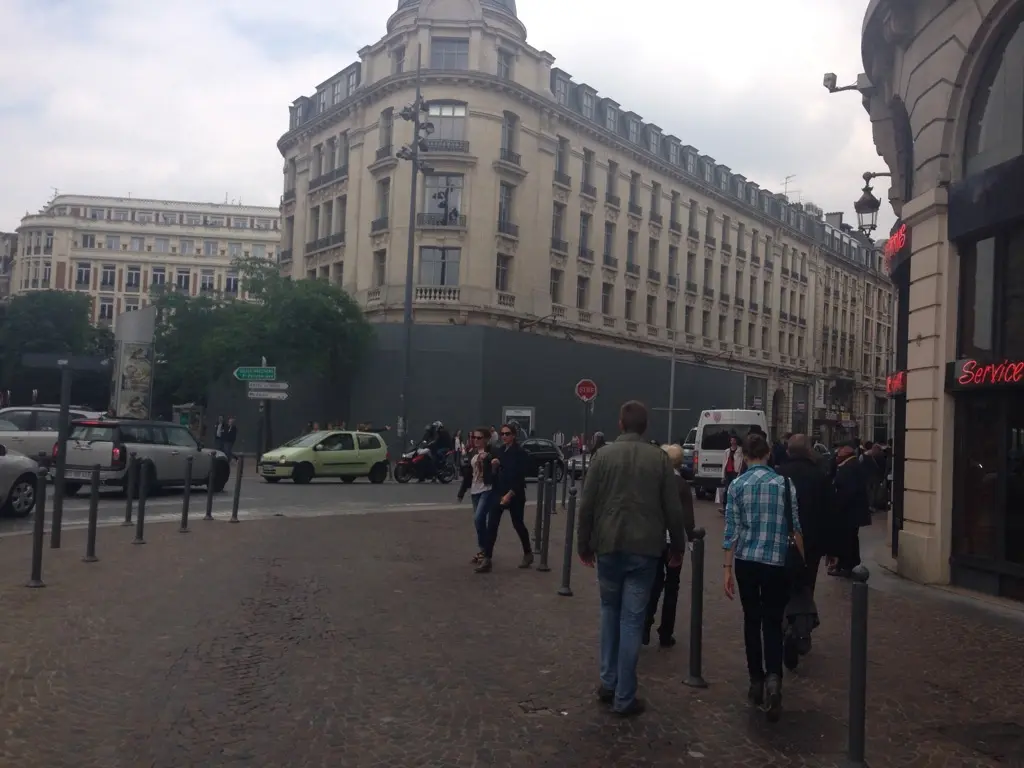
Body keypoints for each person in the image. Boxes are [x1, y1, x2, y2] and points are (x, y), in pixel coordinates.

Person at [577, 401, 687, 717]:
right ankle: (624, 696)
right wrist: (677, 547)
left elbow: (587, 505)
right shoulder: (660, 460)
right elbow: (673, 510)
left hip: (609, 546)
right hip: (645, 550)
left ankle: (608, 682)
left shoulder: (602, 456)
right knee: (631, 621)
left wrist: (584, 545)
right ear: (646, 427)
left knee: (609, 612)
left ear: (620, 424)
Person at [723, 432, 803, 723]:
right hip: (776, 561)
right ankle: (773, 679)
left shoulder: (737, 485)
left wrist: (727, 569)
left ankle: (755, 680)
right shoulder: (784, 484)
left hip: (746, 561)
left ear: (744, 455)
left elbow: (731, 531)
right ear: (769, 453)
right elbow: (795, 526)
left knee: (751, 619)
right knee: (773, 619)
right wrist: (802, 562)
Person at [776, 434, 836, 669]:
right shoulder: (819, 477)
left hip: (782, 541)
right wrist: (831, 549)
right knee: (805, 586)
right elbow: (830, 514)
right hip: (811, 544)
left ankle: (785, 624)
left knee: (783, 586)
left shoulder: (778, 476)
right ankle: (801, 628)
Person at [644, 443, 696, 648]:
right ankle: (666, 632)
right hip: (674, 541)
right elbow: (687, 517)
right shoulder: (682, 484)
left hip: (656, 539)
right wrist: (690, 540)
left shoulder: (655, 481)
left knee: (653, 584)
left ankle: (645, 627)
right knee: (672, 587)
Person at [476, 424, 533, 573]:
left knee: (518, 524)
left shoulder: (521, 453)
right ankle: (487, 559)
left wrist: (510, 494)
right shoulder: (500, 451)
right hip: (499, 492)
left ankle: (528, 553)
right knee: (492, 525)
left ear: (514, 435)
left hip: (515, 494)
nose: (504, 437)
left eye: (507, 434)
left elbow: (520, 478)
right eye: (502, 434)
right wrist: (494, 467)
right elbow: (494, 475)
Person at [457, 428, 498, 566]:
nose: (476, 440)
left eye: (479, 438)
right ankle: (484, 551)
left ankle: (484, 551)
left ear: (486, 439)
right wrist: (461, 492)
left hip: (487, 490)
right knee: (479, 522)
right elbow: (469, 475)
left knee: (478, 518)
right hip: (474, 491)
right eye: (474, 437)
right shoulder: (472, 453)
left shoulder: (491, 453)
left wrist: (492, 463)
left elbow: (496, 469)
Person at [831, 445, 871, 577]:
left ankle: (847, 566)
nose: (837, 455)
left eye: (839, 452)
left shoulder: (848, 467)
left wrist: (837, 505)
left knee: (847, 539)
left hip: (849, 512)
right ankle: (850, 564)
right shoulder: (853, 465)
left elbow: (847, 491)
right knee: (851, 539)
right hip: (853, 512)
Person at [721, 435, 744, 514]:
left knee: (735, 490)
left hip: (735, 472)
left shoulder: (740, 451)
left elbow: (741, 462)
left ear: (736, 441)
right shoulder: (727, 451)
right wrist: (722, 476)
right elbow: (724, 463)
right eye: (731, 440)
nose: (733, 442)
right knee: (726, 490)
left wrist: (739, 473)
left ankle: (735, 507)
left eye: (734, 440)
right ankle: (725, 507)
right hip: (728, 472)